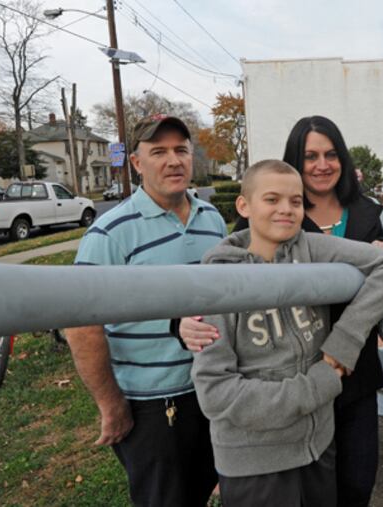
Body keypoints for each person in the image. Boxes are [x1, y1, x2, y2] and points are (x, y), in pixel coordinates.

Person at [179, 115, 383, 506]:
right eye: (310, 155)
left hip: (333, 408)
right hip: (263, 449)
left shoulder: (348, 223)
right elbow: (217, 388)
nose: (322, 163)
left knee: (357, 486)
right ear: (245, 205)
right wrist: (316, 386)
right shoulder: (227, 270)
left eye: (294, 202)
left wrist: (343, 343)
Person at [66, 114, 225, 506]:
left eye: (180, 150)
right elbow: (82, 325)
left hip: (212, 391)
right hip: (154, 405)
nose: (173, 161)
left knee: (204, 490)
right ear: (137, 163)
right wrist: (110, 403)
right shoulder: (110, 233)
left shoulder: (214, 221)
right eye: (158, 152)